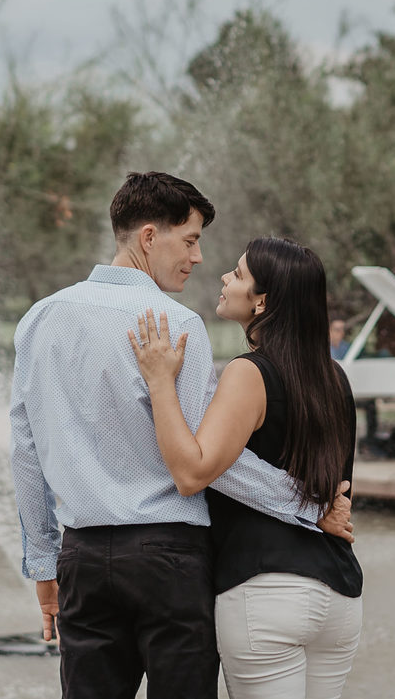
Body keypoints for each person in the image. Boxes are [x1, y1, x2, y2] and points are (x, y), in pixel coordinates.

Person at [9, 173, 352, 699]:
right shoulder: (174, 323)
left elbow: (26, 450)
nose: (196, 258)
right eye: (190, 240)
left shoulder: (39, 320)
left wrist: (42, 561)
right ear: (150, 237)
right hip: (169, 556)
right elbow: (211, 461)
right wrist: (308, 504)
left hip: (80, 557)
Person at [131, 236, 363, 699]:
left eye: (237, 274)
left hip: (265, 592)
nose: (222, 277)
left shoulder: (249, 372)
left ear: (263, 300)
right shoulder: (334, 378)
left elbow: (193, 472)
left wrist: (159, 382)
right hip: (338, 596)